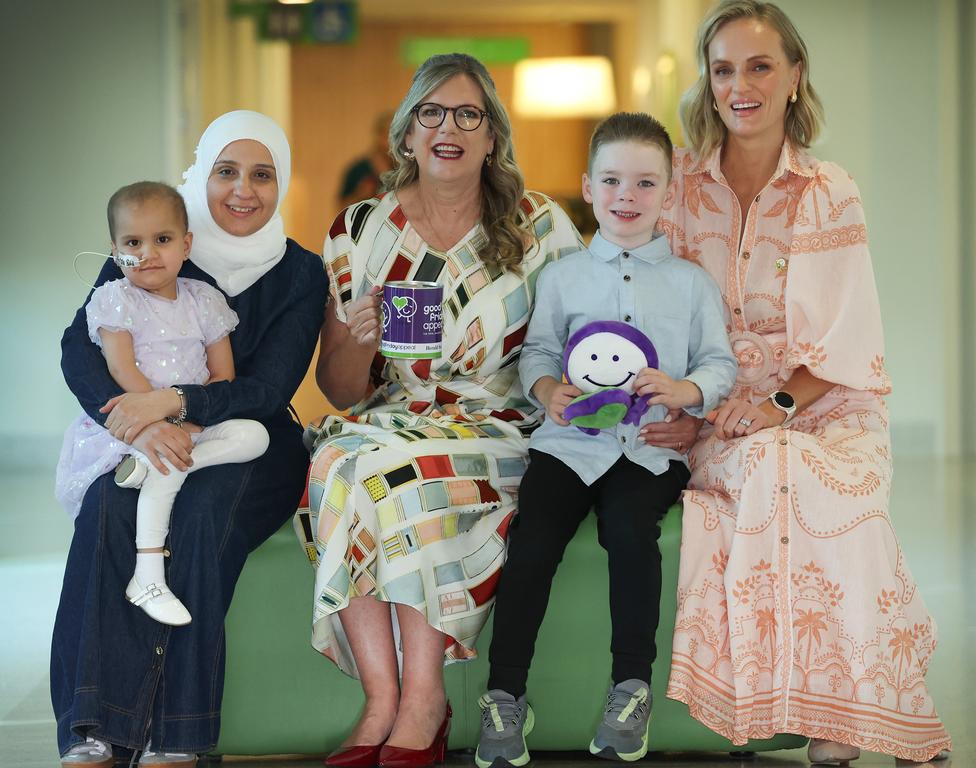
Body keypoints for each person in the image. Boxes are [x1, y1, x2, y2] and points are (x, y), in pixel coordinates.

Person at [657, 2, 952, 764]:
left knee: (831, 486)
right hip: (719, 415)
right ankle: (831, 707)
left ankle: (841, 713)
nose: (740, 85)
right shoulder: (677, 189)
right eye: (724, 69)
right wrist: (697, 404)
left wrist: (780, 403)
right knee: (774, 467)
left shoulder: (831, 189)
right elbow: (645, 312)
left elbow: (849, 337)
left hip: (828, 403)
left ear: (795, 76)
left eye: (759, 66)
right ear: (708, 81)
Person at [293, 53, 586, 768]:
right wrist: (360, 343)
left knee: (403, 473)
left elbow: (589, 343)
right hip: (395, 412)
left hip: (502, 422)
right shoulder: (359, 230)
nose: (447, 127)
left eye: (467, 114)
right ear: (407, 133)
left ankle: (425, 697)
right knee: (334, 458)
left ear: (492, 137)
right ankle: (382, 697)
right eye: (431, 112)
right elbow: (340, 391)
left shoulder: (541, 226)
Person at [52, 111, 328, 767]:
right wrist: (139, 420)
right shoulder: (154, 244)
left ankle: (178, 736)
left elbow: (266, 389)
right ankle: (93, 727)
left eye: (263, 174)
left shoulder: (300, 273)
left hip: (251, 442)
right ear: (201, 175)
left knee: (202, 512)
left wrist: (174, 402)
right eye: (226, 171)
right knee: (106, 507)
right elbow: (79, 347)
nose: (243, 190)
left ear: (281, 182)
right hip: (147, 433)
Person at [473, 113, 737, 767]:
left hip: (648, 448)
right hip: (568, 445)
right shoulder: (563, 277)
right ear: (588, 187)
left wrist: (686, 391)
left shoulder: (692, 284)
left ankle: (631, 689)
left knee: (629, 534)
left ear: (668, 194)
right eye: (614, 180)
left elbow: (720, 364)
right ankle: (504, 697)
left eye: (646, 183)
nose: (628, 196)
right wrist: (545, 391)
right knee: (531, 543)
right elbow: (535, 354)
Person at [55, 181, 270, 627]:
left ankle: (168, 464)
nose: (149, 252)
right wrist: (163, 421)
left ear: (186, 244)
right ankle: (148, 574)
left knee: (256, 436)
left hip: (194, 421)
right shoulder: (115, 299)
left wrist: (189, 422)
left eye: (163, 240)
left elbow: (223, 376)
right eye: (134, 242)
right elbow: (122, 371)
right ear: (115, 251)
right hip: (137, 423)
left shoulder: (204, 302)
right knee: (167, 466)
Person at [337, 110, 394, 210]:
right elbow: (341, 209)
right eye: (389, 135)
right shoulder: (358, 170)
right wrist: (359, 196)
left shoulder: (406, 169)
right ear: (379, 136)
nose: (394, 141)